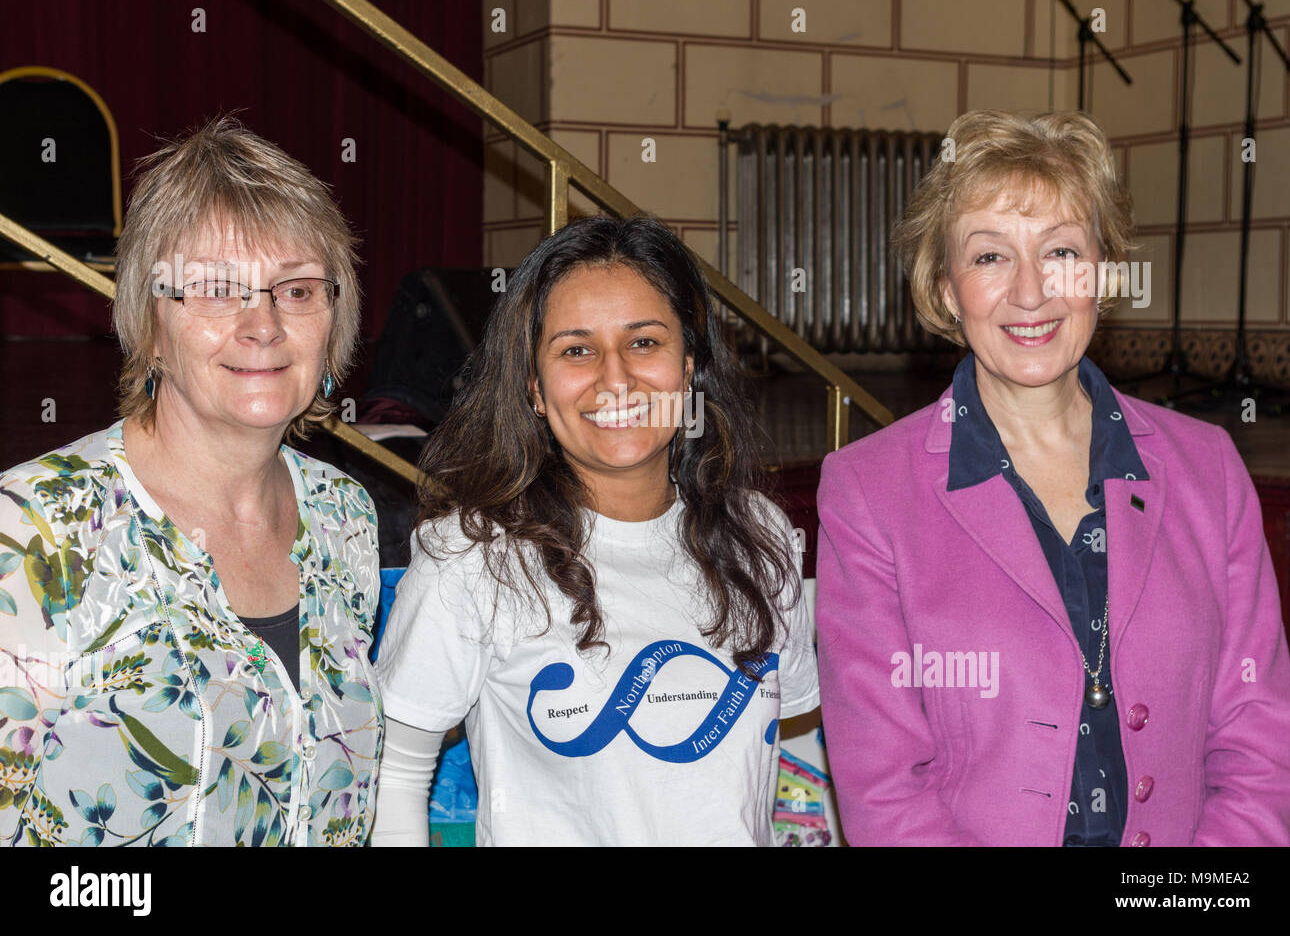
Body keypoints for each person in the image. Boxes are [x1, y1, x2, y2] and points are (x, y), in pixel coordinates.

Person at [815, 109, 1290, 846]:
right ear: (946, 288)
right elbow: (885, 786)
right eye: (989, 258)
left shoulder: (1210, 470)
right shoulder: (867, 493)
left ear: (1102, 272)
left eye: (1062, 251)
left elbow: (1260, 744)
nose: (1031, 291)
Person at [372, 216, 818, 846]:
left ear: (688, 366)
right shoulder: (473, 558)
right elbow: (395, 775)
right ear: (533, 385)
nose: (616, 379)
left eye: (644, 343)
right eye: (576, 349)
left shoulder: (760, 535)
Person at [0, 117, 382, 846]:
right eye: (215, 290)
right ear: (149, 324)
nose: (262, 324)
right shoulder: (32, 533)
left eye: (296, 291)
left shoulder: (345, 516)